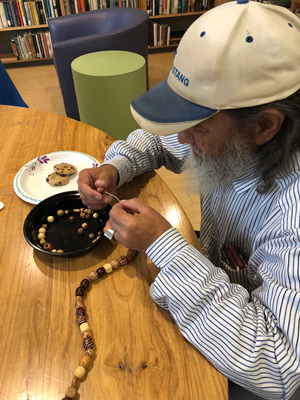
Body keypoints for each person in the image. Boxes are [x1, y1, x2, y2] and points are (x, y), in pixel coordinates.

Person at [77, 1, 300, 398]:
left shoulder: (291, 217)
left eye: (197, 125)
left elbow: (281, 371)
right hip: (220, 279)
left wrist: (165, 246)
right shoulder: (234, 138)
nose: (182, 138)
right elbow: (161, 139)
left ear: (265, 125)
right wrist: (118, 167)